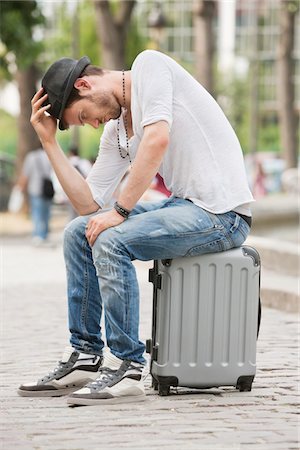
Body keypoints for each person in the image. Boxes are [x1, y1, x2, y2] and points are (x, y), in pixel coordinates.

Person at [18, 51, 254, 406]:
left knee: (111, 240)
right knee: (78, 231)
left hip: (222, 215)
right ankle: (85, 357)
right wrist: (49, 143)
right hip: (184, 207)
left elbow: (158, 140)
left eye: (85, 115)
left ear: (85, 84)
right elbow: (87, 206)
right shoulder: (116, 131)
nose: (94, 124)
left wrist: (121, 210)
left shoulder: (149, 67)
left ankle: (128, 369)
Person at [17, 145, 53, 245]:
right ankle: (45, 234)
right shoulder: (50, 155)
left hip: (35, 188)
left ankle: (38, 235)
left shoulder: (31, 157)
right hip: (48, 189)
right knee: (46, 213)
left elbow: (25, 174)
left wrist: (21, 186)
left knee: (37, 213)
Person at [67, 146, 92, 220]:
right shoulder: (84, 162)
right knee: (84, 216)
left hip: (70, 191)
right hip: (83, 191)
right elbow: (90, 176)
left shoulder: (67, 162)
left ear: (70, 153)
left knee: (72, 215)